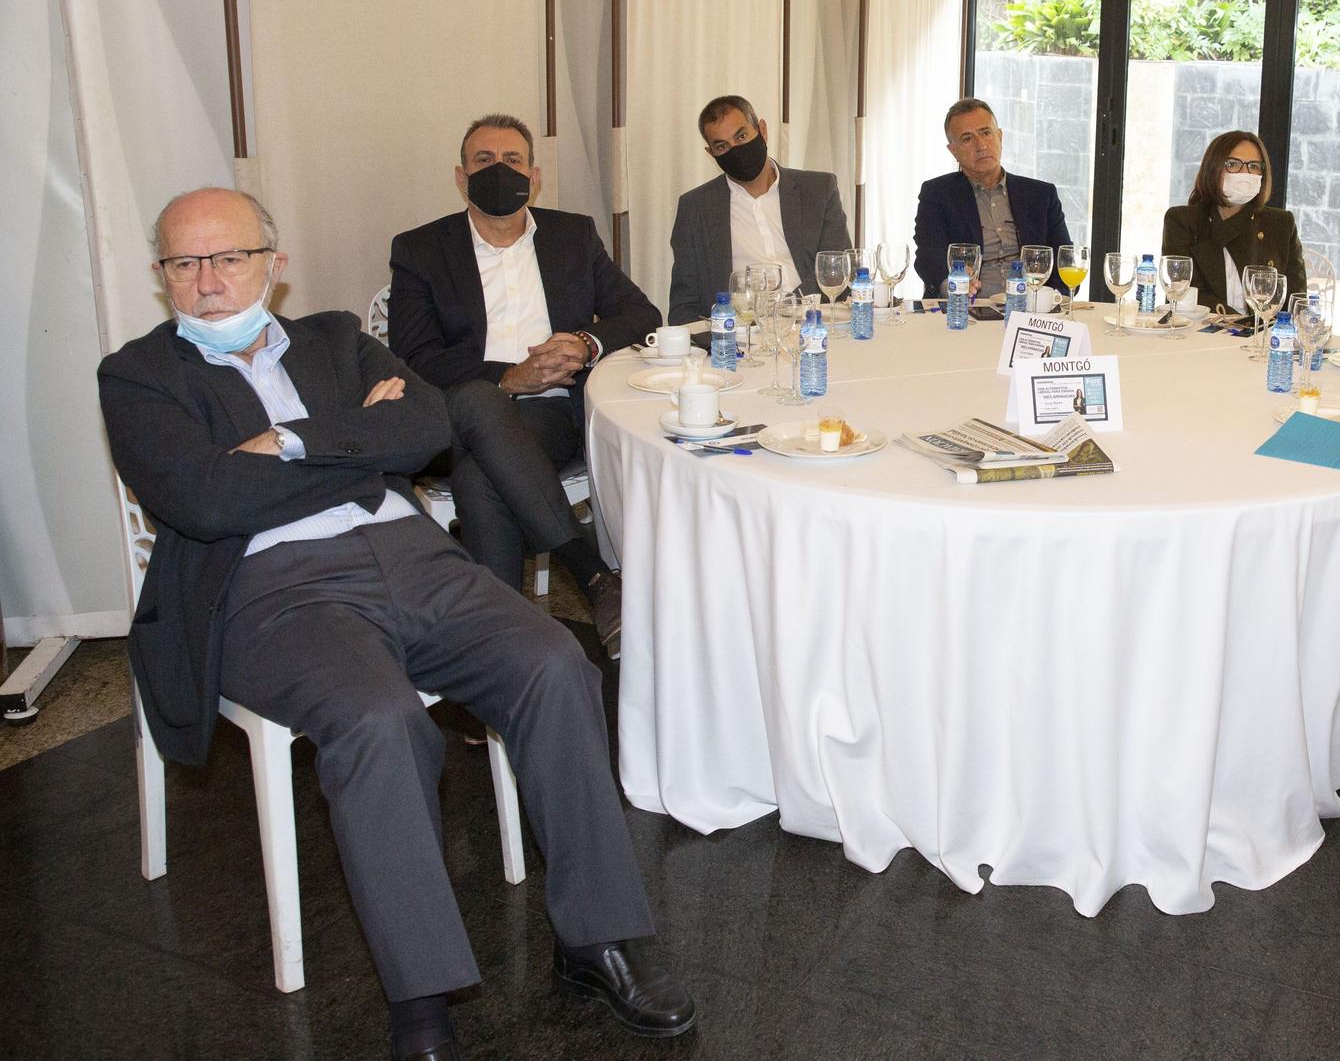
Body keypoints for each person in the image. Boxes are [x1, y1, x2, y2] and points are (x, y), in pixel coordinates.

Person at [101, 188, 693, 1060]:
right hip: (268, 587)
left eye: (227, 258)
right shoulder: (140, 374)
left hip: (410, 555)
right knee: (379, 721)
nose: (208, 282)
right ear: (163, 278)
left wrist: (290, 443)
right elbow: (203, 496)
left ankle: (596, 938)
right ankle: (422, 996)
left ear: (273, 261)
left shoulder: (336, 336)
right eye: (183, 264)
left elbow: (425, 424)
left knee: (554, 661)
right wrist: (354, 444)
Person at [389, 115, 657, 656]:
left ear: (533, 177)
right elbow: (413, 358)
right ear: (462, 178)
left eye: (512, 161)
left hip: (550, 415)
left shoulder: (572, 236)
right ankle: (593, 576)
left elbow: (642, 313)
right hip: (452, 420)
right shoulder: (421, 249)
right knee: (478, 398)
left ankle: (494, 658)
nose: (499, 170)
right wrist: (508, 378)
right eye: (483, 161)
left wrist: (585, 343)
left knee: (481, 478)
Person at [669, 94, 850, 326]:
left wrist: (784, 311)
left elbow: (837, 271)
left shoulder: (817, 189)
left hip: (814, 322)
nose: (735, 150)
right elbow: (684, 305)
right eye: (722, 146)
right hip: (743, 334)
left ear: (762, 130)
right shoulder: (695, 208)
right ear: (711, 153)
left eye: (742, 136)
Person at [913, 98, 1072, 298]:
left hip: (1032, 308)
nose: (981, 146)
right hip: (969, 309)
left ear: (1000, 137)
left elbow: (1064, 260)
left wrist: (1050, 299)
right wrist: (951, 286)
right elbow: (928, 256)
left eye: (986, 133)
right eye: (967, 138)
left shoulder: (1040, 195)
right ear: (953, 151)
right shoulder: (937, 194)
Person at [1161, 131, 1307, 314]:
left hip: (1263, 334)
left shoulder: (1280, 223)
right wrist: (1238, 324)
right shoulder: (1183, 220)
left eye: (1254, 166)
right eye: (1233, 164)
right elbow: (1182, 295)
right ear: (1213, 168)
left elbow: (1296, 300)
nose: (1245, 173)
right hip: (1203, 333)